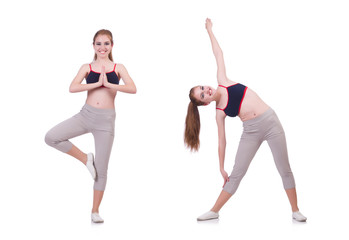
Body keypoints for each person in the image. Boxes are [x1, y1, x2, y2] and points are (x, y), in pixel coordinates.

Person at [184, 19, 306, 222]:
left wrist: (209, 30)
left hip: (271, 121)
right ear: (204, 104)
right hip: (251, 131)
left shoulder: (222, 81)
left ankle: (295, 210)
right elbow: (222, 141)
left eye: (203, 87)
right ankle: (214, 210)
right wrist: (221, 167)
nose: (207, 90)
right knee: (237, 172)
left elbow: (218, 53)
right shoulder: (219, 112)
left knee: (284, 167)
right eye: (203, 95)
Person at [45, 29, 136, 223]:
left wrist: (110, 85)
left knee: (102, 169)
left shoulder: (118, 67)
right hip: (86, 115)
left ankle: (95, 211)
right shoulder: (86, 67)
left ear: (112, 46)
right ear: (93, 46)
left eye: (106, 43)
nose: (102, 47)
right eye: (98, 43)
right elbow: (73, 87)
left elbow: (132, 88)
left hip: (106, 121)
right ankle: (85, 158)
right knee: (51, 137)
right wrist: (96, 84)